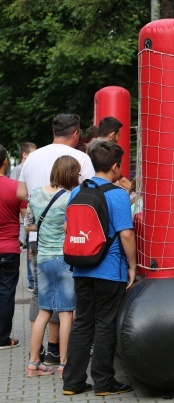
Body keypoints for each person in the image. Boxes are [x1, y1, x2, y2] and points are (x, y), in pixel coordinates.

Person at [17, 113, 95, 368]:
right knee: (67, 306)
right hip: (67, 247)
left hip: (38, 241)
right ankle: (62, 359)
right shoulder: (81, 158)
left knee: (41, 300)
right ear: (75, 134)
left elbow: (21, 195)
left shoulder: (33, 157)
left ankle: (36, 356)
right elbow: (91, 194)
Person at [63, 140, 136, 396]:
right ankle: (104, 383)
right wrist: (133, 266)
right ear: (115, 166)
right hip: (109, 270)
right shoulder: (118, 195)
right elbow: (126, 234)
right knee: (105, 324)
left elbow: (68, 228)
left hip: (81, 267)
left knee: (82, 323)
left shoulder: (76, 192)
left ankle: (72, 382)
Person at [26, 156, 80, 378]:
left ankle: (33, 364)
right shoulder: (70, 197)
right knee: (66, 312)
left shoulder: (36, 193)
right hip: (62, 258)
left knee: (44, 311)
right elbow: (71, 227)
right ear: (70, 174)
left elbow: (29, 224)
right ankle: (64, 365)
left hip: (43, 258)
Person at [0, 144, 27, 351]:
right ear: (5, 161)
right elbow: (28, 221)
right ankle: (3, 338)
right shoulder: (16, 187)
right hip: (9, 248)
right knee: (7, 292)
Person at [9, 142, 36, 290]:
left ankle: (31, 280)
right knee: (25, 245)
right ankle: (31, 280)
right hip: (22, 215)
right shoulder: (19, 169)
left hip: (25, 214)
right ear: (25, 154)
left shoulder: (26, 168)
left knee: (29, 246)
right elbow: (16, 193)